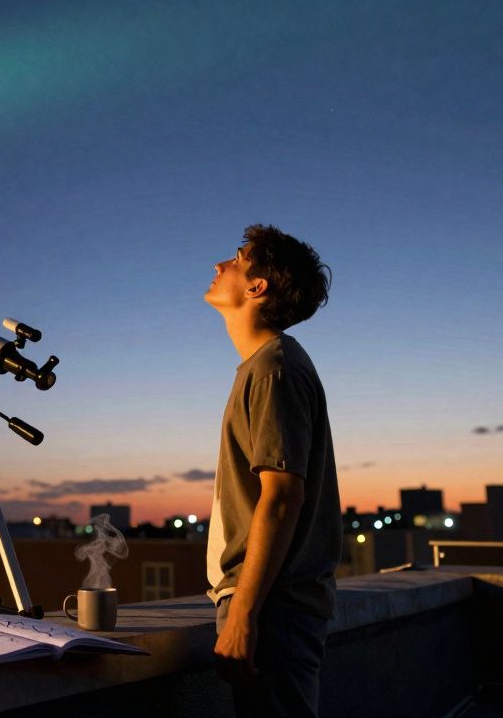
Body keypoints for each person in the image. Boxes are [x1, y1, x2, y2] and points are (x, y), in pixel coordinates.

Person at [203, 224, 342, 716]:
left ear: (257, 287)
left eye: (236, 260)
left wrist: (244, 610)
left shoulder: (273, 370)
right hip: (275, 606)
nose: (220, 266)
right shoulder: (267, 366)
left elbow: (282, 497)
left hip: (272, 607)